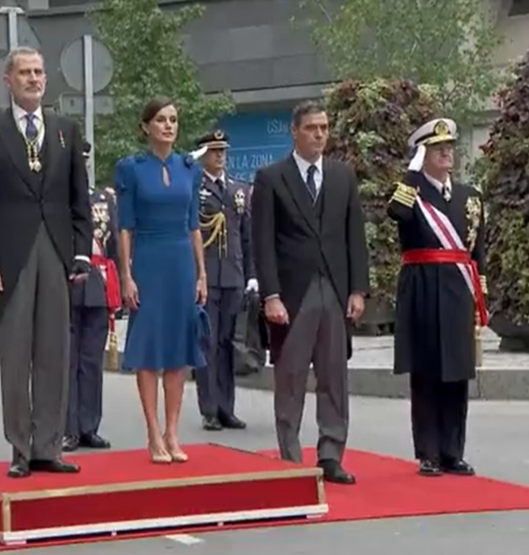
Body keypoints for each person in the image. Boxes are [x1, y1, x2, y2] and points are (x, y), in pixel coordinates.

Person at [0, 46, 93, 479]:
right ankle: (20, 447)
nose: (34, 79)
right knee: (16, 354)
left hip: (56, 252)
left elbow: (80, 197)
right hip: (11, 257)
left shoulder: (65, 130)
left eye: (39, 72)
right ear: (8, 80)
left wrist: (80, 252)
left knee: (55, 353)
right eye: (24, 73)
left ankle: (48, 447)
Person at [251, 101, 369, 485]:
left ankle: (331, 453)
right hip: (292, 291)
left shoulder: (341, 176)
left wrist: (357, 289)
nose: (320, 134)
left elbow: (354, 237)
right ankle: (289, 455)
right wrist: (270, 294)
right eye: (312, 128)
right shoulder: (271, 178)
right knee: (291, 375)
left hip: (333, 288)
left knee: (334, 374)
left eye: (324, 127)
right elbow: (263, 242)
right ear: (295, 131)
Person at [387, 118, 486, 477]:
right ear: (422, 155)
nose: (447, 153)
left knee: (457, 372)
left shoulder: (469, 197)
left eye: (449, 147)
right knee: (427, 371)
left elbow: (479, 252)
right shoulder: (411, 193)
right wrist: (411, 175)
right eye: (437, 148)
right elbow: (395, 213)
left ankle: (452, 451)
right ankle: (428, 452)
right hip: (423, 288)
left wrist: (480, 294)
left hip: (458, 289)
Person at [116, 98, 208, 464]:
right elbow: (125, 226)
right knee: (150, 349)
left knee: (177, 350)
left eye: (173, 120)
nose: (168, 126)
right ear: (146, 127)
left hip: (182, 263)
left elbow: (194, 225)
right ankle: (153, 432)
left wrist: (202, 273)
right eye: (160, 120)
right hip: (149, 261)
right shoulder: (131, 168)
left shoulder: (189, 168)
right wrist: (126, 274)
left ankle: (172, 431)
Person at [191, 130, 253, 432]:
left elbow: (246, 236)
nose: (220, 156)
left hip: (233, 275)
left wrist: (252, 276)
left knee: (229, 344)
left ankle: (228, 407)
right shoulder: (194, 187)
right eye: (214, 151)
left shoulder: (239, 189)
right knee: (208, 343)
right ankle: (210, 409)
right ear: (202, 154)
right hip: (205, 278)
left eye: (223, 151)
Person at [64, 141, 117, 453]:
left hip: (97, 285)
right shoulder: (57, 199)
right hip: (66, 283)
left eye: (82, 162)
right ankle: (68, 428)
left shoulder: (104, 199)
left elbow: (117, 245)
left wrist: (122, 283)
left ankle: (89, 426)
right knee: (67, 360)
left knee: (91, 361)